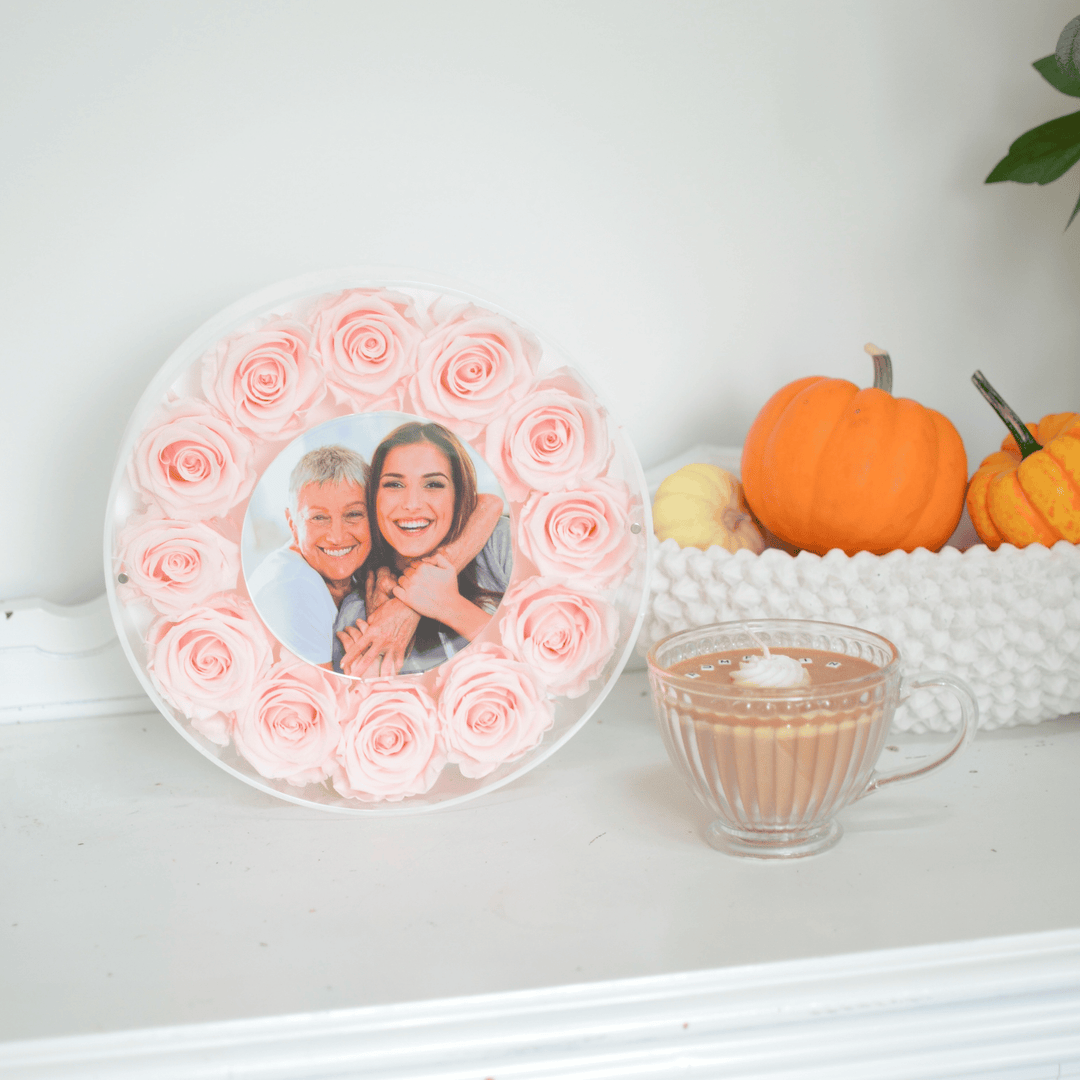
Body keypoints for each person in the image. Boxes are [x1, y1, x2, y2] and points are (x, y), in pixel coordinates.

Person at [335, 422, 512, 676]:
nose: (412, 504)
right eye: (394, 484)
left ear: (458, 493)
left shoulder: (499, 544)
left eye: (433, 484)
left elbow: (546, 663)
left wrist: (445, 604)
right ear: (374, 497)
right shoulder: (358, 614)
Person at [246, 445, 372, 666]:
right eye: (319, 518)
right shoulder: (294, 586)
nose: (337, 537)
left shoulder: (353, 575)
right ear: (292, 523)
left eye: (353, 514)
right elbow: (323, 694)